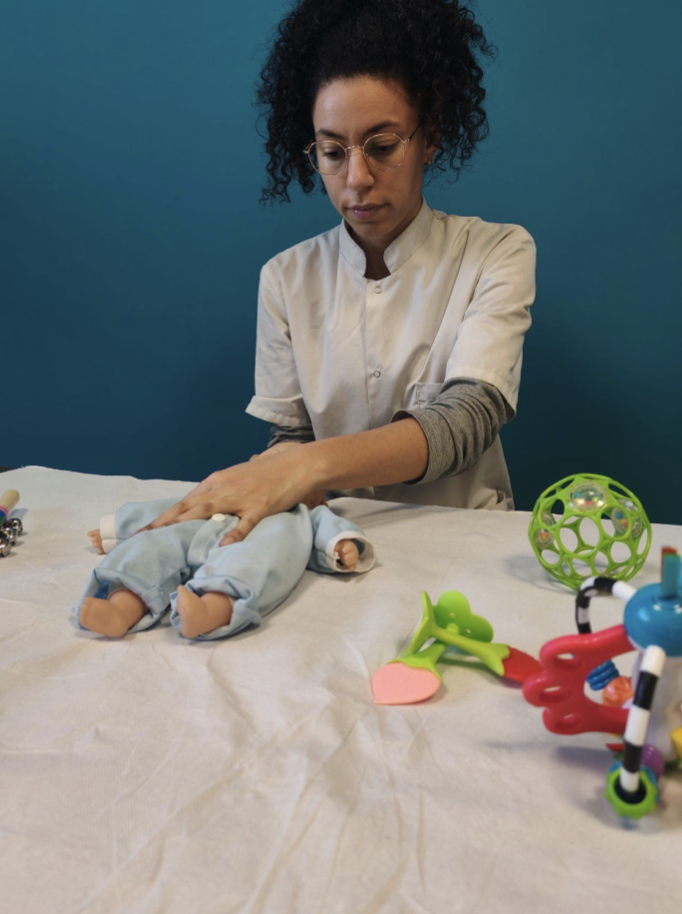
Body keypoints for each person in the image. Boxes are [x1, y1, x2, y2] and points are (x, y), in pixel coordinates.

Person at [140, 0, 537, 545]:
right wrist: (286, 474)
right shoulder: (285, 279)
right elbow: (293, 438)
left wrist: (305, 466)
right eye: (331, 151)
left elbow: (468, 419)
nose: (356, 178)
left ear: (430, 136)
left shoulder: (496, 251)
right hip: (339, 544)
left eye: (382, 146)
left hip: (466, 544)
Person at [74, 496, 375, 640]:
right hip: (196, 532)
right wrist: (118, 529)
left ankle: (208, 612)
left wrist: (341, 545)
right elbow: (171, 510)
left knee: (248, 565)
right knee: (153, 548)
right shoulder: (227, 495)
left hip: (247, 545)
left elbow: (327, 529)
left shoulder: (300, 517)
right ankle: (121, 609)